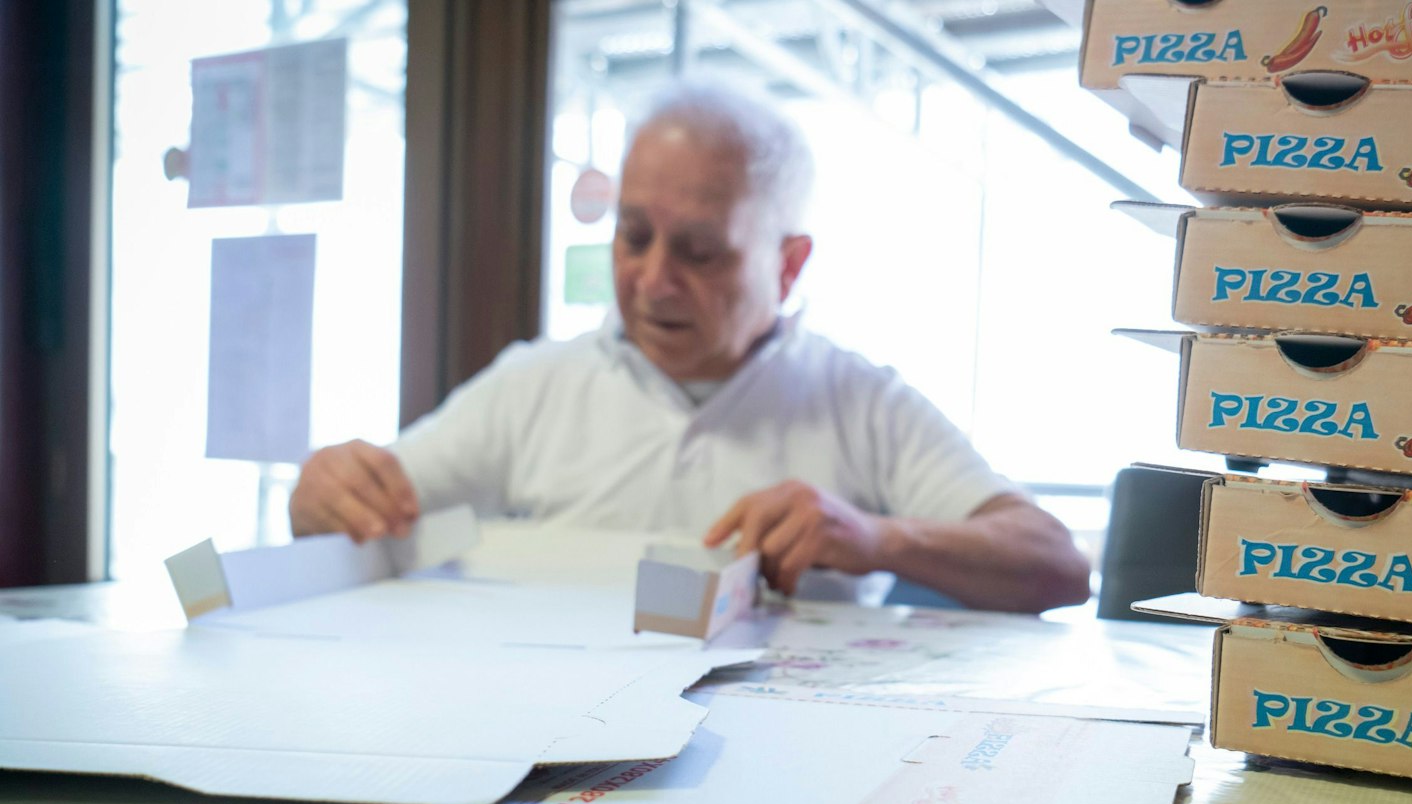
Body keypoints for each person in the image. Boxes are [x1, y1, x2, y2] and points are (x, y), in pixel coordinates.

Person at [288, 81, 1090, 614]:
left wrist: (876, 537)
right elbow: (364, 513)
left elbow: (1056, 564)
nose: (652, 280)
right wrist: (323, 493)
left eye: (700, 251)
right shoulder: (533, 385)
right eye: (633, 236)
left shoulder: (858, 400)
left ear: (788, 262)